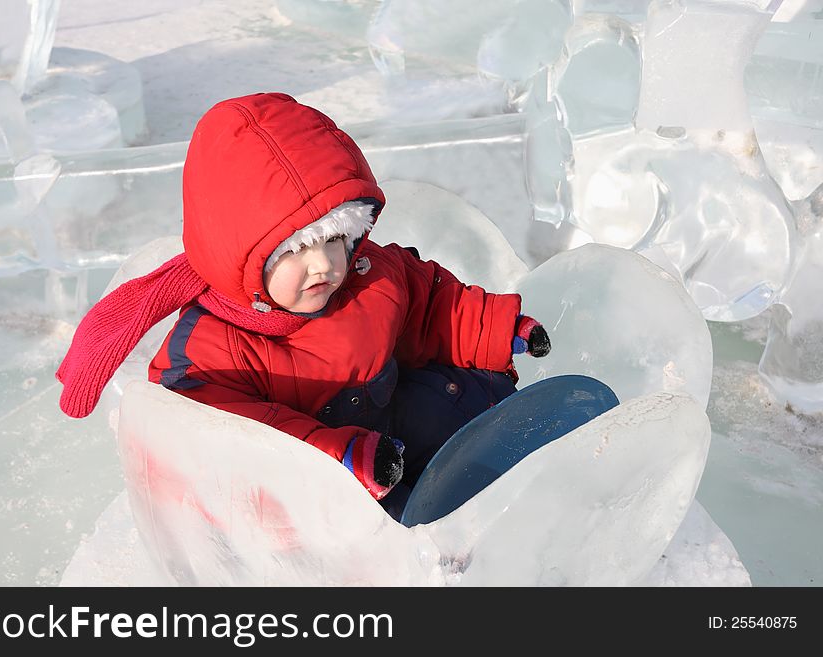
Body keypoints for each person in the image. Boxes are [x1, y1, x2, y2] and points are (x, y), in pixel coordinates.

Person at [56, 92, 551, 519]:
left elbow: (430, 306)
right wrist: (339, 460)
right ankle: (427, 546)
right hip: (321, 492)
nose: (324, 265)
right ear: (240, 254)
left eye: (335, 238)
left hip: (386, 428)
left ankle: (513, 452)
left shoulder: (366, 277)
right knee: (354, 519)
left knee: (449, 393)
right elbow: (246, 442)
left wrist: (495, 328)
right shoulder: (208, 352)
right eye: (295, 250)